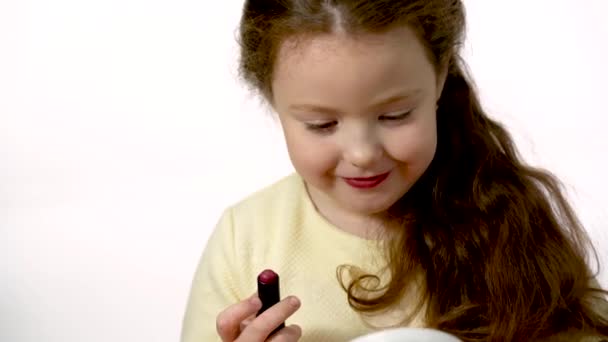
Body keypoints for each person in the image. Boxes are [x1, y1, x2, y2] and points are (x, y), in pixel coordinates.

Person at [181, 0, 608, 341]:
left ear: (440, 78)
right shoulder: (247, 236)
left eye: (396, 115)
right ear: (273, 101)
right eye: (321, 125)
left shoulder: (508, 212)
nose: (363, 154)